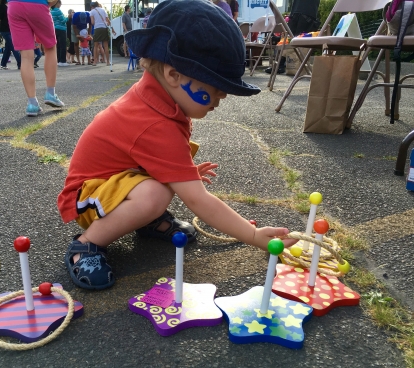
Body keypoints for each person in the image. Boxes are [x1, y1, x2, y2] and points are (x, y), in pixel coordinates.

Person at [57, 0, 297, 290]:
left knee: (164, 184)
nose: (220, 102)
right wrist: (253, 236)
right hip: (88, 199)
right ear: (174, 75)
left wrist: (186, 172)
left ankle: (145, 221)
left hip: (112, 185)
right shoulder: (155, 123)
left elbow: (143, 158)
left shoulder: (157, 98)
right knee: (154, 194)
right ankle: (87, 245)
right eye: (215, 91)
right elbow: (198, 200)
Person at [8, 0, 65, 116]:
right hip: (37, 4)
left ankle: (32, 103)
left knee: (26, 56)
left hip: (14, 6)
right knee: (50, 48)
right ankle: (50, 93)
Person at [265, 0, 320, 75]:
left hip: (306, 13)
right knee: (288, 39)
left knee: (295, 39)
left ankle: (282, 64)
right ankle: (281, 64)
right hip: (298, 12)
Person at [0, 0, 21, 70]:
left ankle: (3, 64)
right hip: (5, 30)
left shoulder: (12, 6)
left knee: (8, 48)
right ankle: (20, 64)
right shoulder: (2, 7)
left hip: (12, 30)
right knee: (13, 46)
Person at [90, 1, 110, 66]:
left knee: (95, 46)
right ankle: (108, 62)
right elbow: (107, 20)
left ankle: (95, 61)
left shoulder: (92, 12)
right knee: (106, 46)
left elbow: (92, 22)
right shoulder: (103, 10)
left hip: (97, 28)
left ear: (92, 6)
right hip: (104, 28)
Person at [50, 0, 68, 66]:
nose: (61, 5)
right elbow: (63, 20)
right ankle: (63, 61)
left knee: (58, 46)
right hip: (61, 29)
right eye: (60, 3)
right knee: (63, 45)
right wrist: (68, 17)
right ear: (57, 3)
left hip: (54, 29)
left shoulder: (51, 11)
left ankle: (58, 60)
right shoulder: (58, 10)